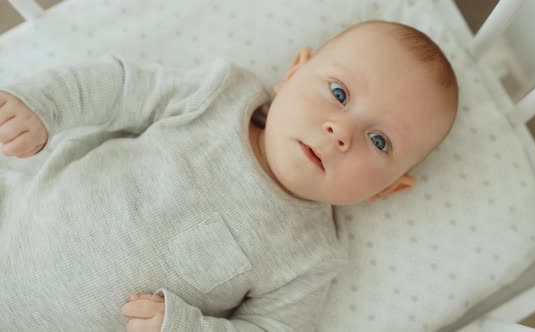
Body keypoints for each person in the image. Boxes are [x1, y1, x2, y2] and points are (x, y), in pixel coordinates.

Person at [0, 20, 457, 331]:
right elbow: (118, 88)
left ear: (387, 189)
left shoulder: (311, 257)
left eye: (379, 142)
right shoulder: (217, 96)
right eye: (338, 93)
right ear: (294, 73)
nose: (342, 132)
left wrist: (187, 327)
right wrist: (47, 106)